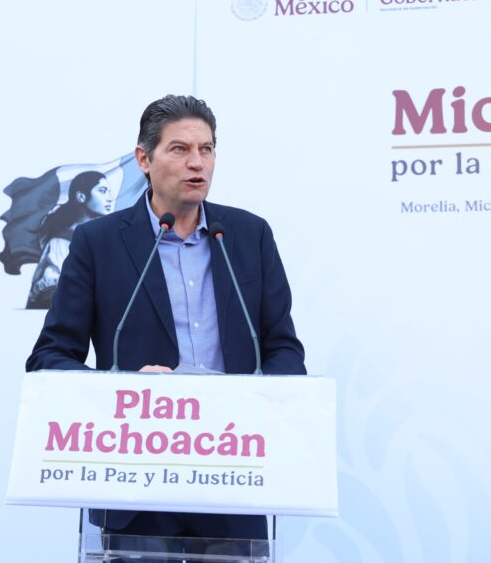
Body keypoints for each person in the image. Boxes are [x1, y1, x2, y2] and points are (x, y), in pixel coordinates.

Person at [26, 95, 305, 560]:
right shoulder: (98, 242)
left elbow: (283, 349)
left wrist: (262, 402)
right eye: (180, 149)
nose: (197, 162)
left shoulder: (249, 235)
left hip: (234, 481)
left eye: (206, 149)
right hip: (136, 489)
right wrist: (124, 388)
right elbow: (50, 357)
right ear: (144, 160)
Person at [26, 171, 113, 308]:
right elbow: (50, 292)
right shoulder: (61, 242)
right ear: (81, 196)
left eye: (109, 192)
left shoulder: (105, 238)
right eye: (102, 191)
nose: (109, 198)